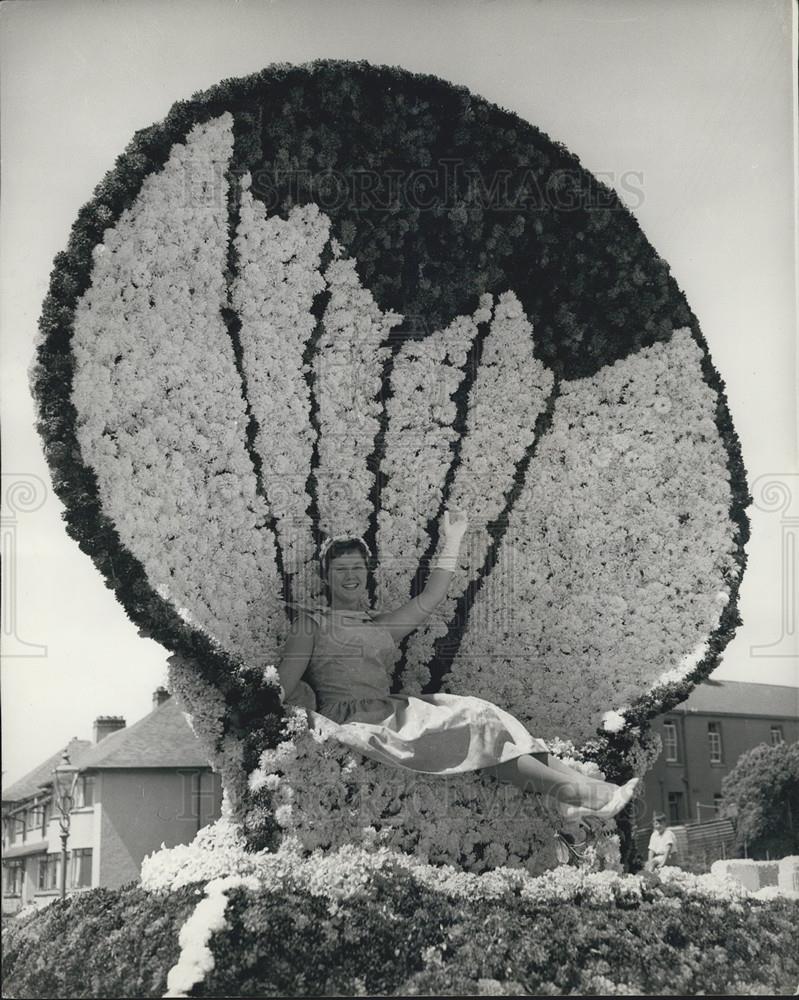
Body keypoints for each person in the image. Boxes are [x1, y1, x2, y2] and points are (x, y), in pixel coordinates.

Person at [276, 508, 639, 839]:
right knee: (477, 725)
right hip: (361, 722)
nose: (350, 576)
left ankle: (581, 786)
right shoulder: (310, 627)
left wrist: (453, 541)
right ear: (326, 577)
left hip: (393, 710)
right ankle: (575, 793)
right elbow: (280, 689)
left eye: (357, 568)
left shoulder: (380, 625)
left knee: (487, 714)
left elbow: (431, 597)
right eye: (341, 570)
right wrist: (312, 723)